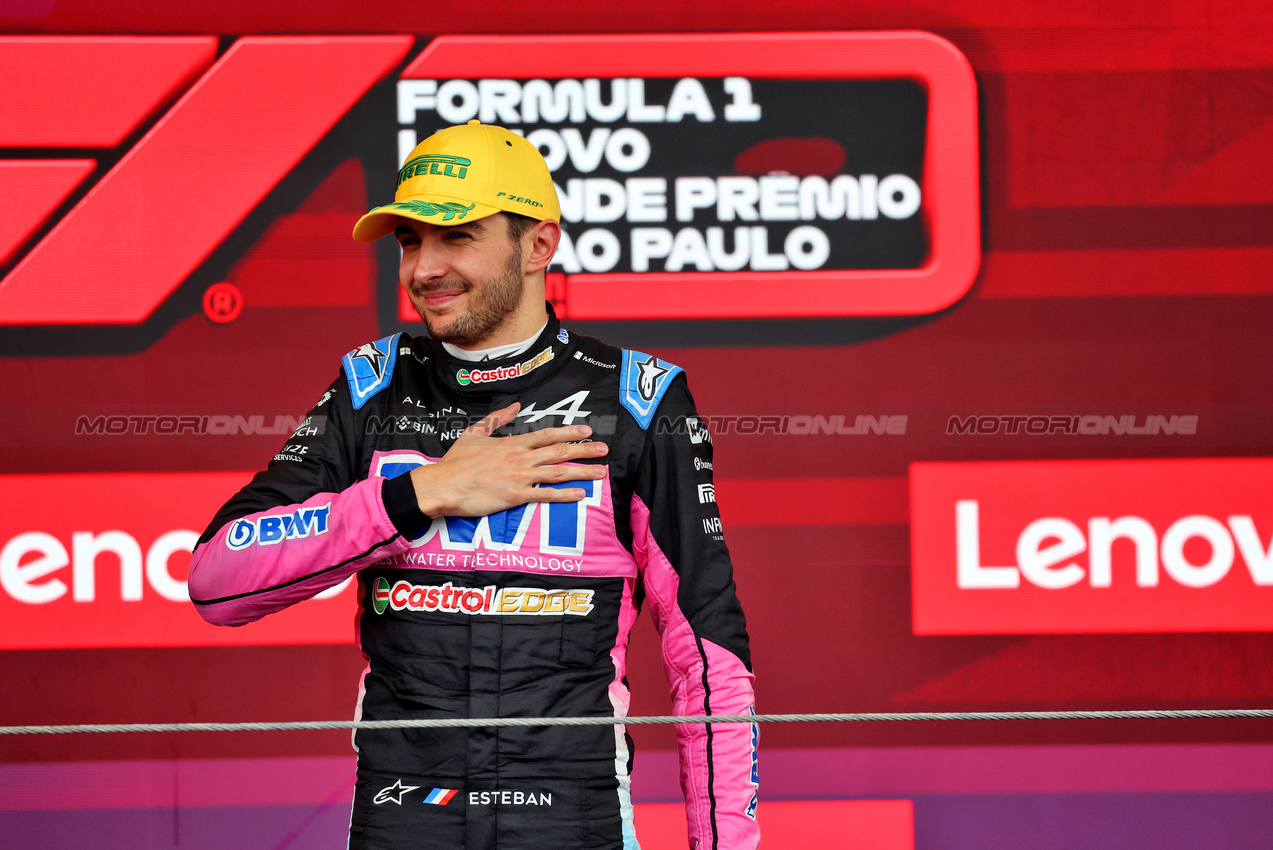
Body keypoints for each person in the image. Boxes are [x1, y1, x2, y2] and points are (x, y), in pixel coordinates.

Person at [188, 120, 758, 850]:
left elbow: (706, 656)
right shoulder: (372, 388)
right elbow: (217, 578)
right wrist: (418, 494)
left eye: (455, 236)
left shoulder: (638, 400)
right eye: (409, 241)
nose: (424, 268)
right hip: (402, 821)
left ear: (538, 247)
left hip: (572, 823)